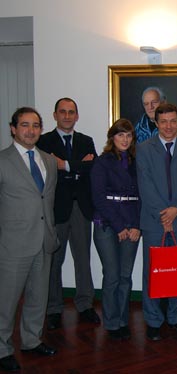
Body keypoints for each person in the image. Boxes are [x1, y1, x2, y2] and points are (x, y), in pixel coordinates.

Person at [0, 107, 58, 372]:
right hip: (13, 244)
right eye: (25, 125)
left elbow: (47, 200)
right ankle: (2, 348)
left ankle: (32, 340)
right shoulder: (3, 160)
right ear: (13, 128)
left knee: (38, 296)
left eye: (36, 125)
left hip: (44, 240)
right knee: (7, 300)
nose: (31, 130)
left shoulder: (48, 160)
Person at [136, 103, 177, 339]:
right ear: (156, 123)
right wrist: (164, 214)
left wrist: (176, 210)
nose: (169, 126)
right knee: (152, 272)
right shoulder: (143, 149)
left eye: (173, 121)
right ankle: (153, 321)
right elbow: (145, 185)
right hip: (154, 222)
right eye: (164, 121)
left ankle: (176, 318)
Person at [37, 97, 101, 330]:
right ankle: (54, 307)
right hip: (56, 208)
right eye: (62, 112)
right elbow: (46, 169)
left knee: (83, 258)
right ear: (54, 115)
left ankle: (85, 305)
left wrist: (64, 165)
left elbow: (91, 169)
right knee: (55, 260)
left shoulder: (86, 140)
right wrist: (77, 166)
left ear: (77, 116)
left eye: (71, 112)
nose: (67, 116)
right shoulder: (43, 141)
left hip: (82, 208)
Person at [90, 119, 141, 340]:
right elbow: (99, 198)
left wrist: (137, 225)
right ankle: (111, 323)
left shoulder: (137, 162)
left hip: (132, 225)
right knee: (111, 275)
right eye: (121, 135)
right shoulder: (102, 162)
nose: (125, 139)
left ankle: (122, 320)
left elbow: (143, 196)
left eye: (129, 135)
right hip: (107, 224)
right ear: (113, 137)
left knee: (125, 275)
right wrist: (120, 226)